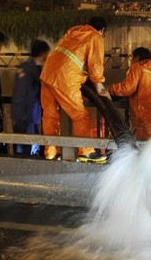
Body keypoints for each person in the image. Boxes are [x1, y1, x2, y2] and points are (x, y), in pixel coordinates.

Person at [40, 16, 109, 160]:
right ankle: (86, 151)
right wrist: (99, 85)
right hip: (66, 76)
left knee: (50, 115)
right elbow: (95, 64)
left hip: (47, 73)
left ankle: (51, 153)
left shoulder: (72, 33)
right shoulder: (95, 36)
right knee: (79, 115)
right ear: (102, 30)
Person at [109, 47, 151, 140]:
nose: (131, 61)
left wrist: (109, 89)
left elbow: (127, 88)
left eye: (132, 58)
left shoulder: (137, 67)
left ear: (137, 57)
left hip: (144, 118)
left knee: (144, 148)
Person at [11, 39, 50, 156]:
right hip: (28, 116)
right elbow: (47, 85)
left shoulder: (23, 66)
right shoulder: (34, 70)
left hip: (18, 114)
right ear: (43, 54)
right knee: (28, 152)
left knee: (21, 149)